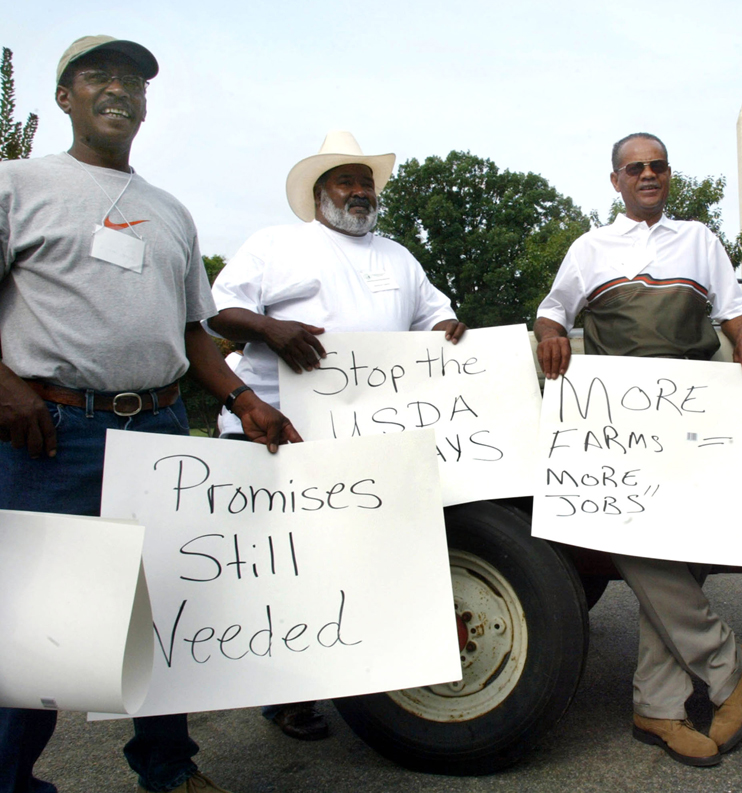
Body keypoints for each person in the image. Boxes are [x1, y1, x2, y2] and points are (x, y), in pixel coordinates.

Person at [0, 36, 301, 793]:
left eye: (132, 80)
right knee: (39, 630)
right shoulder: (18, 183)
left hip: (162, 432)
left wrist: (244, 398)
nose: (118, 89)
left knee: (161, 611)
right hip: (52, 434)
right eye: (97, 76)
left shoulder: (169, 213)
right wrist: (3, 382)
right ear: (64, 97)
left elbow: (196, 333)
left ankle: (168, 768)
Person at [205, 130, 466, 740]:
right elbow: (216, 309)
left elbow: (436, 316)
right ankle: (284, 695)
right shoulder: (276, 245)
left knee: (353, 567)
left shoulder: (400, 256)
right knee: (283, 570)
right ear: (318, 193)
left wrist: (450, 325)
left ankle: (352, 677)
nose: (358, 191)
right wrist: (271, 328)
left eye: (365, 182)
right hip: (273, 428)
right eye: (345, 181)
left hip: (365, 438)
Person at [533, 132, 742, 767]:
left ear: (669, 176)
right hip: (619, 421)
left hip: (693, 413)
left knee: (678, 549)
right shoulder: (591, 248)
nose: (648, 174)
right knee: (633, 542)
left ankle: (658, 708)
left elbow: (732, 312)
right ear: (615, 181)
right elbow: (552, 309)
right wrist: (552, 334)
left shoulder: (700, 240)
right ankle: (727, 663)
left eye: (658, 165)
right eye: (635, 167)